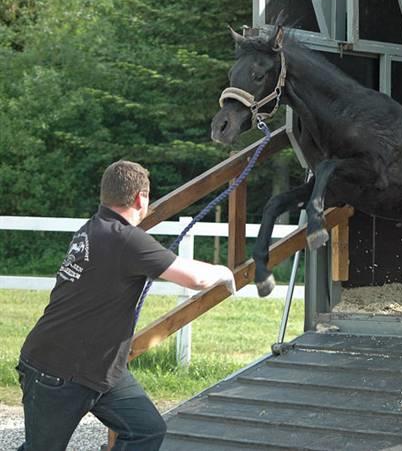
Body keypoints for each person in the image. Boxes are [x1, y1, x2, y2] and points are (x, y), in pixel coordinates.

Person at [16, 160, 237, 451]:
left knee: (146, 430)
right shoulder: (125, 239)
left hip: (101, 369)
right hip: (57, 369)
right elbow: (195, 278)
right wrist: (225, 272)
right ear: (140, 198)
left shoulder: (94, 228)